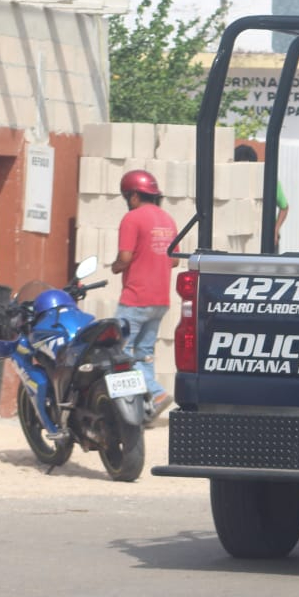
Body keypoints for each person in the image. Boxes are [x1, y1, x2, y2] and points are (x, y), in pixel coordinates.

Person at [111, 169, 178, 425]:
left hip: (135, 298)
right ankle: (146, 408)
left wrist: (117, 266)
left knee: (121, 352)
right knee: (145, 353)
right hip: (160, 299)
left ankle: (156, 393)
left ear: (135, 195)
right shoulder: (167, 219)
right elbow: (173, 259)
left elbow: (125, 257)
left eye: (128, 196)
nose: (128, 201)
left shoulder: (132, 218)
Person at [234, 143, 288, 247]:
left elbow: (284, 207)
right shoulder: (231, 182)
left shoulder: (269, 180)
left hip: (265, 237)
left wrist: (275, 230)